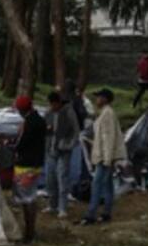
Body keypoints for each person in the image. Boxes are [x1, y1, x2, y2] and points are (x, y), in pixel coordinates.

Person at [82, 87, 126, 225]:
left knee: (97, 184)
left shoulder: (107, 114)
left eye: (99, 97)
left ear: (105, 99)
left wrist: (107, 159)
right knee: (107, 185)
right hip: (104, 155)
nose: (96, 99)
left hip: (105, 157)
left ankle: (91, 214)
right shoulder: (105, 113)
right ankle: (106, 212)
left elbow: (109, 138)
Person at [12, 94, 46, 243]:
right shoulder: (40, 120)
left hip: (25, 166)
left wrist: (9, 142)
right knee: (31, 197)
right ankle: (31, 230)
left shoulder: (28, 123)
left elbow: (20, 144)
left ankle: (29, 232)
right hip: (37, 165)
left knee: (26, 200)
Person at [43, 90, 79, 220]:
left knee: (62, 177)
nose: (52, 107)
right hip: (51, 150)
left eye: (54, 104)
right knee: (50, 178)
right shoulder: (48, 113)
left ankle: (62, 207)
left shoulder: (68, 112)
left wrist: (69, 145)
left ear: (58, 103)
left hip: (64, 150)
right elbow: (44, 129)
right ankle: (52, 205)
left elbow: (75, 131)